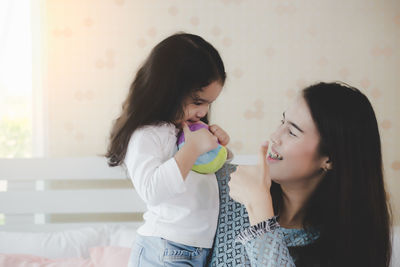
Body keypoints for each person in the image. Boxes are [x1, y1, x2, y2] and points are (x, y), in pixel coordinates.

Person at [208, 82, 392, 267]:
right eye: (282, 122)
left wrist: (260, 209)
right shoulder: (231, 183)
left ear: (330, 159)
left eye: (292, 132)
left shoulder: (344, 250)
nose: (275, 136)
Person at [106, 32, 230, 266]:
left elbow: (205, 171)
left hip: (199, 246)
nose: (203, 112)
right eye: (197, 102)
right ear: (166, 91)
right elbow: (152, 191)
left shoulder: (186, 130)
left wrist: (219, 148)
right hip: (165, 247)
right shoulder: (146, 136)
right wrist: (192, 149)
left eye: (208, 104)